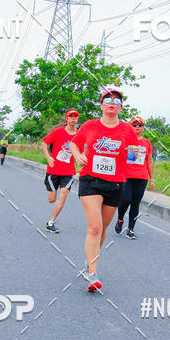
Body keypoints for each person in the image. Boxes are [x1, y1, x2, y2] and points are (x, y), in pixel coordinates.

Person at [70, 89, 139, 292]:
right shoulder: (90, 125)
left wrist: (131, 154)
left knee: (103, 229)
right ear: (101, 105)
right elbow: (74, 143)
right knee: (94, 228)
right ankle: (92, 274)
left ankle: (89, 261)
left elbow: (132, 156)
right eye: (107, 99)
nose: (111, 102)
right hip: (90, 180)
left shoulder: (127, 130)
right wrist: (78, 155)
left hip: (115, 183)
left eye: (116, 100)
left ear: (120, 107)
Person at [114, 116, 155, 239]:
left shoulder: (147, 143)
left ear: (143, 127)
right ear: (130, 127)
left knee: (135, 203)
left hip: (141, 177)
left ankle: (130, 229)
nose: (137, 127)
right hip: (126, 176)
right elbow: (118, 157)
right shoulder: (124, 140)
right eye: (134, 125)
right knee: (126, 199)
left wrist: (152, 179)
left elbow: (149, 162)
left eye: (140, 125)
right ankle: (120, 219)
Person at [42, 109, 79, 233]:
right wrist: (48, 157)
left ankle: (50, 222)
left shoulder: (79, 135)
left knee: (63, 195)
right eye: (71, 116)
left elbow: (84, 149)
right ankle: (51, 194)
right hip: (53, 170)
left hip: (68, 172)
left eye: (75, 116)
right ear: (66, 119)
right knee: (51, 199)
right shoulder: (58, 132)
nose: (73, 118)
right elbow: (45, 143)